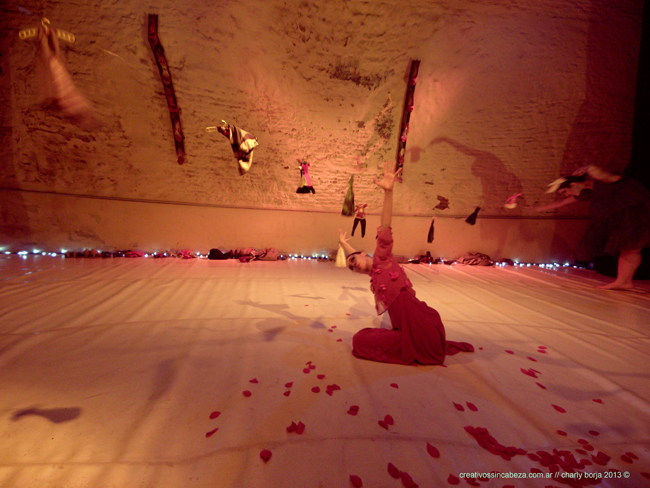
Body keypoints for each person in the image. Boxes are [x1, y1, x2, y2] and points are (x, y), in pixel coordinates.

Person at [338, 161, 474, 365]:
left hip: (418, 321)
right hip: (405, 326)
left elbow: (385, 225)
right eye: (351, 267)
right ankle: (411, 340)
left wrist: (388, 192)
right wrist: (344, 245)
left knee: (360, 341)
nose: (352, 265)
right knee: (361, 339)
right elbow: (356, 257)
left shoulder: (382, 258)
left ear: (364, 254)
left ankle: (418, 342)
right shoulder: (374, 273)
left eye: (353, 260)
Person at [534, 165, 650, 290]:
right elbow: (562, 203)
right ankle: (623, 281)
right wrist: (538, 209)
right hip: (628, 220)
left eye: (565, 191)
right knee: (629, 249)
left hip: (640, 215)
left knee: (631, 249)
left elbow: (604, 175)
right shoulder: (589, 192)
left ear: (573, 185)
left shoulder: (603, 182)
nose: (567, 194)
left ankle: (623, 281)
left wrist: (589, 168)